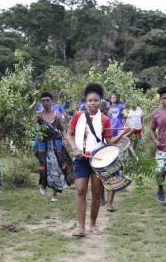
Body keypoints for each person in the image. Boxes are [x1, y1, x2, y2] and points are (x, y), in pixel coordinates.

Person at [67, 83, 130, 237]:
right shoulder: (77, 116)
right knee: (81, 190)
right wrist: (74, 148)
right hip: (81, 159)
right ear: (85, 102)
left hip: (98, 160)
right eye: (90, 101)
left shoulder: (104, 119)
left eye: (96, 100)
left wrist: (123, 134)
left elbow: (109, 142)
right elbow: (69, 134)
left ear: (101, 102)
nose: (93, 103)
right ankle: (80, 227)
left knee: (96, 192)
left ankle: (93, 225)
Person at [34, 91, 70, 202]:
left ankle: (55, 193)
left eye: (47, 100)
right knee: (43, 164)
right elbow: (35, 129)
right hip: (43, 143)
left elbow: (62, 129)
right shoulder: (39, 115)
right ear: (41, 102)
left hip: (56, 143)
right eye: (43, 100)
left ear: (51, 102)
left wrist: (65, 138)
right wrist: (37, 120)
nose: (45, 102)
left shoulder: (57, 114)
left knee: (58, 167)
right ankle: (43, 184)